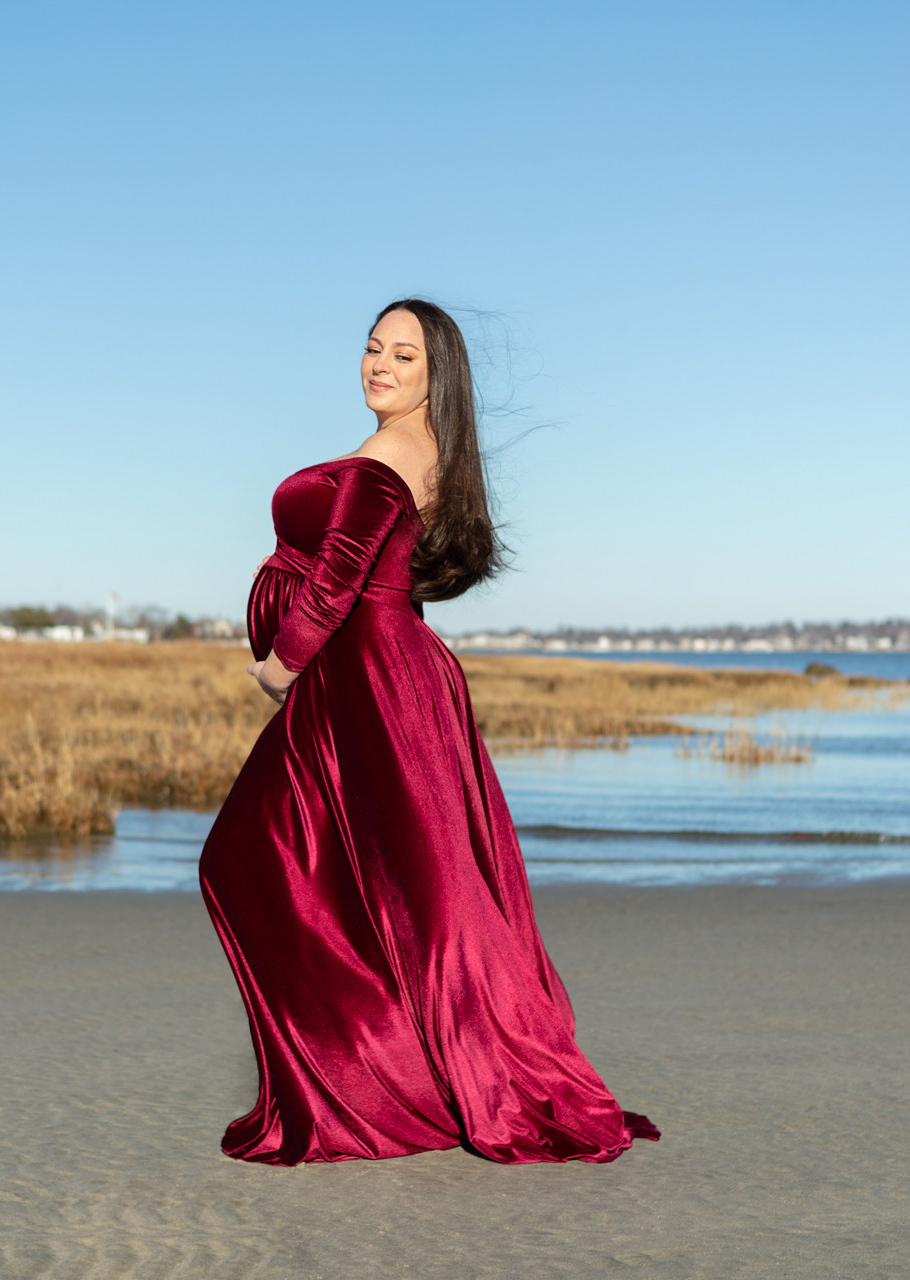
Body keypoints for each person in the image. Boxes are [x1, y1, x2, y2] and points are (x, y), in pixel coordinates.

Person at [198, 298, 659, 1166]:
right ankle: (387, 1067)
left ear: (435, 374)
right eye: (374, 348)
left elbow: (338, 581)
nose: (380, 365)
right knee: (381, 883)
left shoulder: (387, 459)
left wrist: (280, 665)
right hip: (378, 673)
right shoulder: (424, 453)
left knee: (277, 864)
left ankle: (372, 1082)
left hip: (362, 681)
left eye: (404, 356)